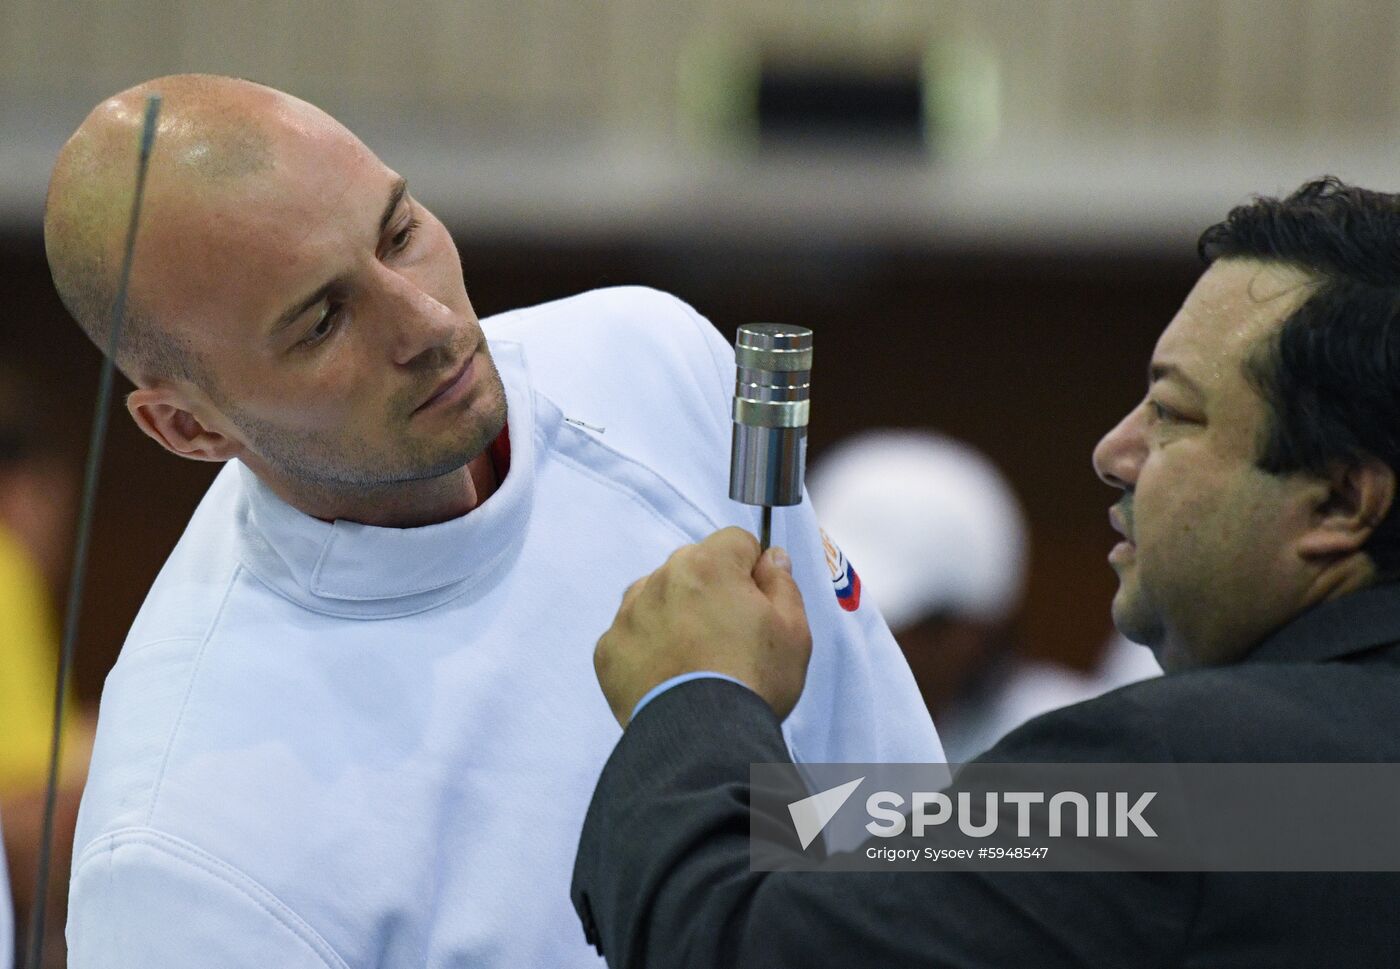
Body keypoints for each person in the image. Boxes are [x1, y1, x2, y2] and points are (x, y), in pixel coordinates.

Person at [47, 76, 942, 967]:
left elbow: (893, 813)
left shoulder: (649, 358)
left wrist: (1070, 838)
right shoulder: (176, 861)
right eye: (323, 321)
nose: (430, 321)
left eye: (399, 234)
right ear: (189, 427)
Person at [572, 177, 1400, 966]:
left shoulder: (1175, 774)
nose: (1114, 452)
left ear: (1339, 500)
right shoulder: (1303, 786)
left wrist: (688, 697)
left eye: (1174, 412)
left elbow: (733, 945)